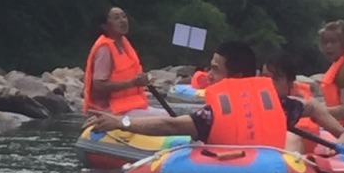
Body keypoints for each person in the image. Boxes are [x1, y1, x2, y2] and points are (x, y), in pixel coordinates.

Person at [86, 40, 309, 148]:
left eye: (215, 69)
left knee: (293, 137)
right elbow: (313, 107)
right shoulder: (279, 105)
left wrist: (120, 123)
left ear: (237, 76)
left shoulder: (210, 117)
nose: (208, 75)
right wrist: (342, 135)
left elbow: (170, 126)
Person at [260, 50, 344, 154]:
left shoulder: (306, 106)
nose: (269, 83)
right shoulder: (251, 102)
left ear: (290, 82)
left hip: (298, 158)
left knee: (292, 138)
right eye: (264, 78)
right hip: (265, 158)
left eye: (276, 79)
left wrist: (336, 147)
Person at [82, 6, 150, 116]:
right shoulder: (104, 49)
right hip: (110, 110)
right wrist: (131, 83)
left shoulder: (124, 43)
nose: (123, 20)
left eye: (124, 16)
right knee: (168, 120)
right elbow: (98, 86)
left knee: (169, 117)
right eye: (116, 18)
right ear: (105, 26)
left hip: (129, 106)